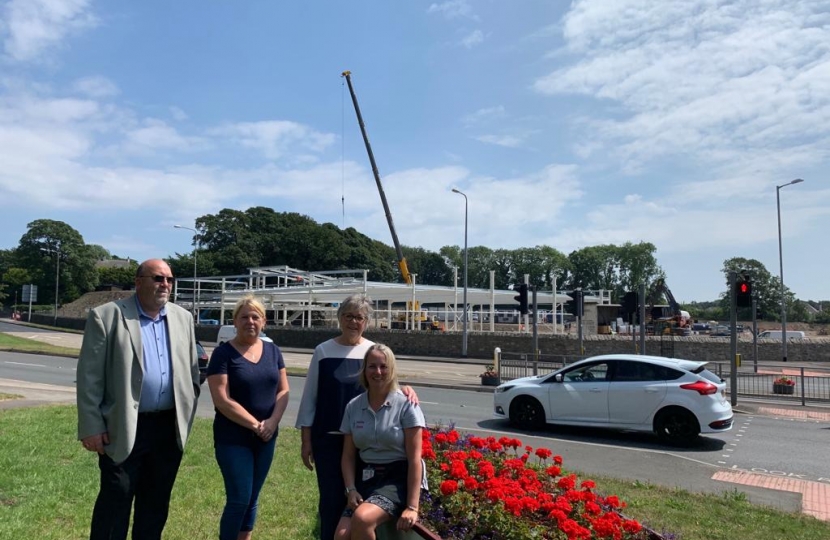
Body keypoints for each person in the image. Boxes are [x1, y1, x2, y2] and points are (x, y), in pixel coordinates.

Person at [76, 258, 200, 540]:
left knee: (155, 504)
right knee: (116, 497)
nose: (165, 284)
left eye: (169, 279)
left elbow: (192, 371)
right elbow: (89, 377)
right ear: (138, 281)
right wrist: (92, 425)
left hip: (168, 428)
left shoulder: (183, 318)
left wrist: (188, 409)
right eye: (158, 278)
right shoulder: (106, 316)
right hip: (123, 425)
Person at [296, 293, 419, 540]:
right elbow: (310, 398)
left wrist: (406, 388)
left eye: (359, 317)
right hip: (330, 442)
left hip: (365, 444)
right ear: (339, 318)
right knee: (331, 501)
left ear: (367, 322)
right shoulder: (323, 351)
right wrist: (306, 440)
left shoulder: (371, 351)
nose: (353, 322)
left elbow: (385, 381)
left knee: (357, 502)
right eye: (348, 316)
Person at [207, 295, 290, 540]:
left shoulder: (273, 351)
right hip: (233, 438)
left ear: (263, 321)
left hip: (266, 438)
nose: (250, 321)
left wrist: (272, 422)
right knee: (239, 499)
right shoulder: (223, 354)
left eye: (255, 317)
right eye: (244, 317)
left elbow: (284, 391)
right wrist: (256, 425)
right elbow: (222, 400)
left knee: (252, 498)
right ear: (235, 321)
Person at [335, 344, 426, 539]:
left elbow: (415, 459)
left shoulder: (406, 404)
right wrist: (351, 490)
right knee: (341, 535)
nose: (378, 372)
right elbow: (348, 456)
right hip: (366, 478)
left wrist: (412, 506)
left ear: (392, 369)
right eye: (372, 366)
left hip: (397, 478)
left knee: (362, 518)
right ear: (364, 369)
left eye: (384, 366)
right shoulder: (354, 406)